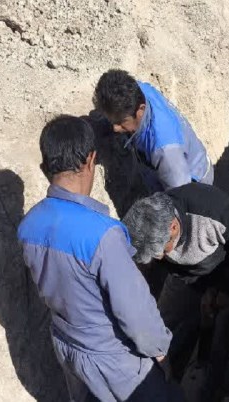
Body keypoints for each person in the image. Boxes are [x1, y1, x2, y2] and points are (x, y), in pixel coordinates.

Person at [17, 115, 182, 402]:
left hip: (68, 350)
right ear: (91, 160)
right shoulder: (103, 235)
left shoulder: (28, 226)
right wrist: (160, 350)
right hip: (114, 360)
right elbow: (135, 312)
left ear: (45, 167)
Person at [122, 183, 229, 380]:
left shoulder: (208, 210)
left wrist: (227, 290)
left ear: (173, 227)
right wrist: (202, 289)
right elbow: (168, 266)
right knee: (160, 325)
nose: (159, 258)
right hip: (188, 275)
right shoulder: (149, 224)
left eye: (161, 251)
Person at [93, 69, 214, 192]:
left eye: (121, 121)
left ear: (141, 110)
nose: (115, 128)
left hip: (194, 182)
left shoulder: (166, 151)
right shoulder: (136, 90)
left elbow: (182, 195)